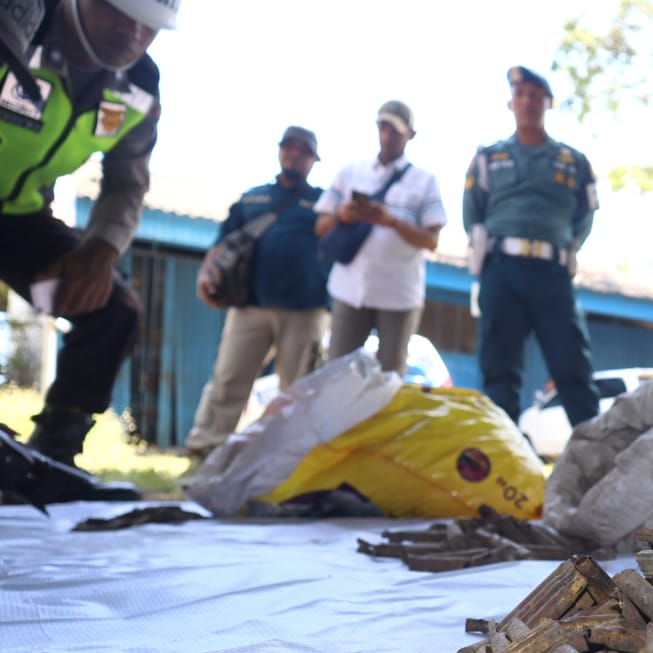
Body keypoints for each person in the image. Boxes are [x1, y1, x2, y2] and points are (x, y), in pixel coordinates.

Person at [0, 0, 177, 500]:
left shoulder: (140, 86)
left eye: (150, 24)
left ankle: (51, 456)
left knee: (113, 310)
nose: (133, 30)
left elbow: (127, 182)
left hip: (19, 218)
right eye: (118, 11)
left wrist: (102, 246)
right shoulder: (19, 29)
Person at [182, 126, 329, 467]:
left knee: (300, 391)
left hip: (305, 309)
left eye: (303, 151)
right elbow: (223, 242)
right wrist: (206, 275)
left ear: (313, 159)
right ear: (280, 151)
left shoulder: (324, 202)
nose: (294, 154)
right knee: (227, 381)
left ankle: (293, 464)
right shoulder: (252, 198)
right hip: (250, 306)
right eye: (289, 148)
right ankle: (204, 455)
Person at [462, 66, 600, 428]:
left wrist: (567, 249)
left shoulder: (574, 161)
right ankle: (503, 455)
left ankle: (597, 457)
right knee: (498, 371)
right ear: (511, 102)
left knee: (572, 364)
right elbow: (472, 214)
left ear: (547, 103)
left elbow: (585, 216)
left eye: (535, 95)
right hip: (500, 271)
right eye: (520, 94)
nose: (527, 102)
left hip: (552, 274)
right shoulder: (487, 158)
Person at [314, 100, 446, 375]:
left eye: (396, 130)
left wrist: (393, 222)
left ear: (410, 134)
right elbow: (320, 226)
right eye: (384, 127)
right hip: (350, 291)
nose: (388, 135)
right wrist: (343, 215)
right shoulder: (351, 172)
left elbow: (432, 241)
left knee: (389, 378)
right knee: (337, 374)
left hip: (399, 295)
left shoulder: (425, 181)